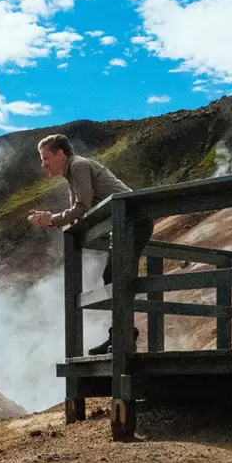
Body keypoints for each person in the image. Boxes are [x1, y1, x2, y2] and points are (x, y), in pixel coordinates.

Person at [26, 133, 154, 355]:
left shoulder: (78, 166)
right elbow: (78, 214)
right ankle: (121, 335)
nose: (43, 164)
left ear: (61, 153)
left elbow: (82, 206)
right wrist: (50, 219)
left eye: (46, 158)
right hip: (123, 225)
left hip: (133, 221)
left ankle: (124, 338)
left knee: (118, 276)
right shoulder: (73, 173)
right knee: (112, 277)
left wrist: (52, 220)